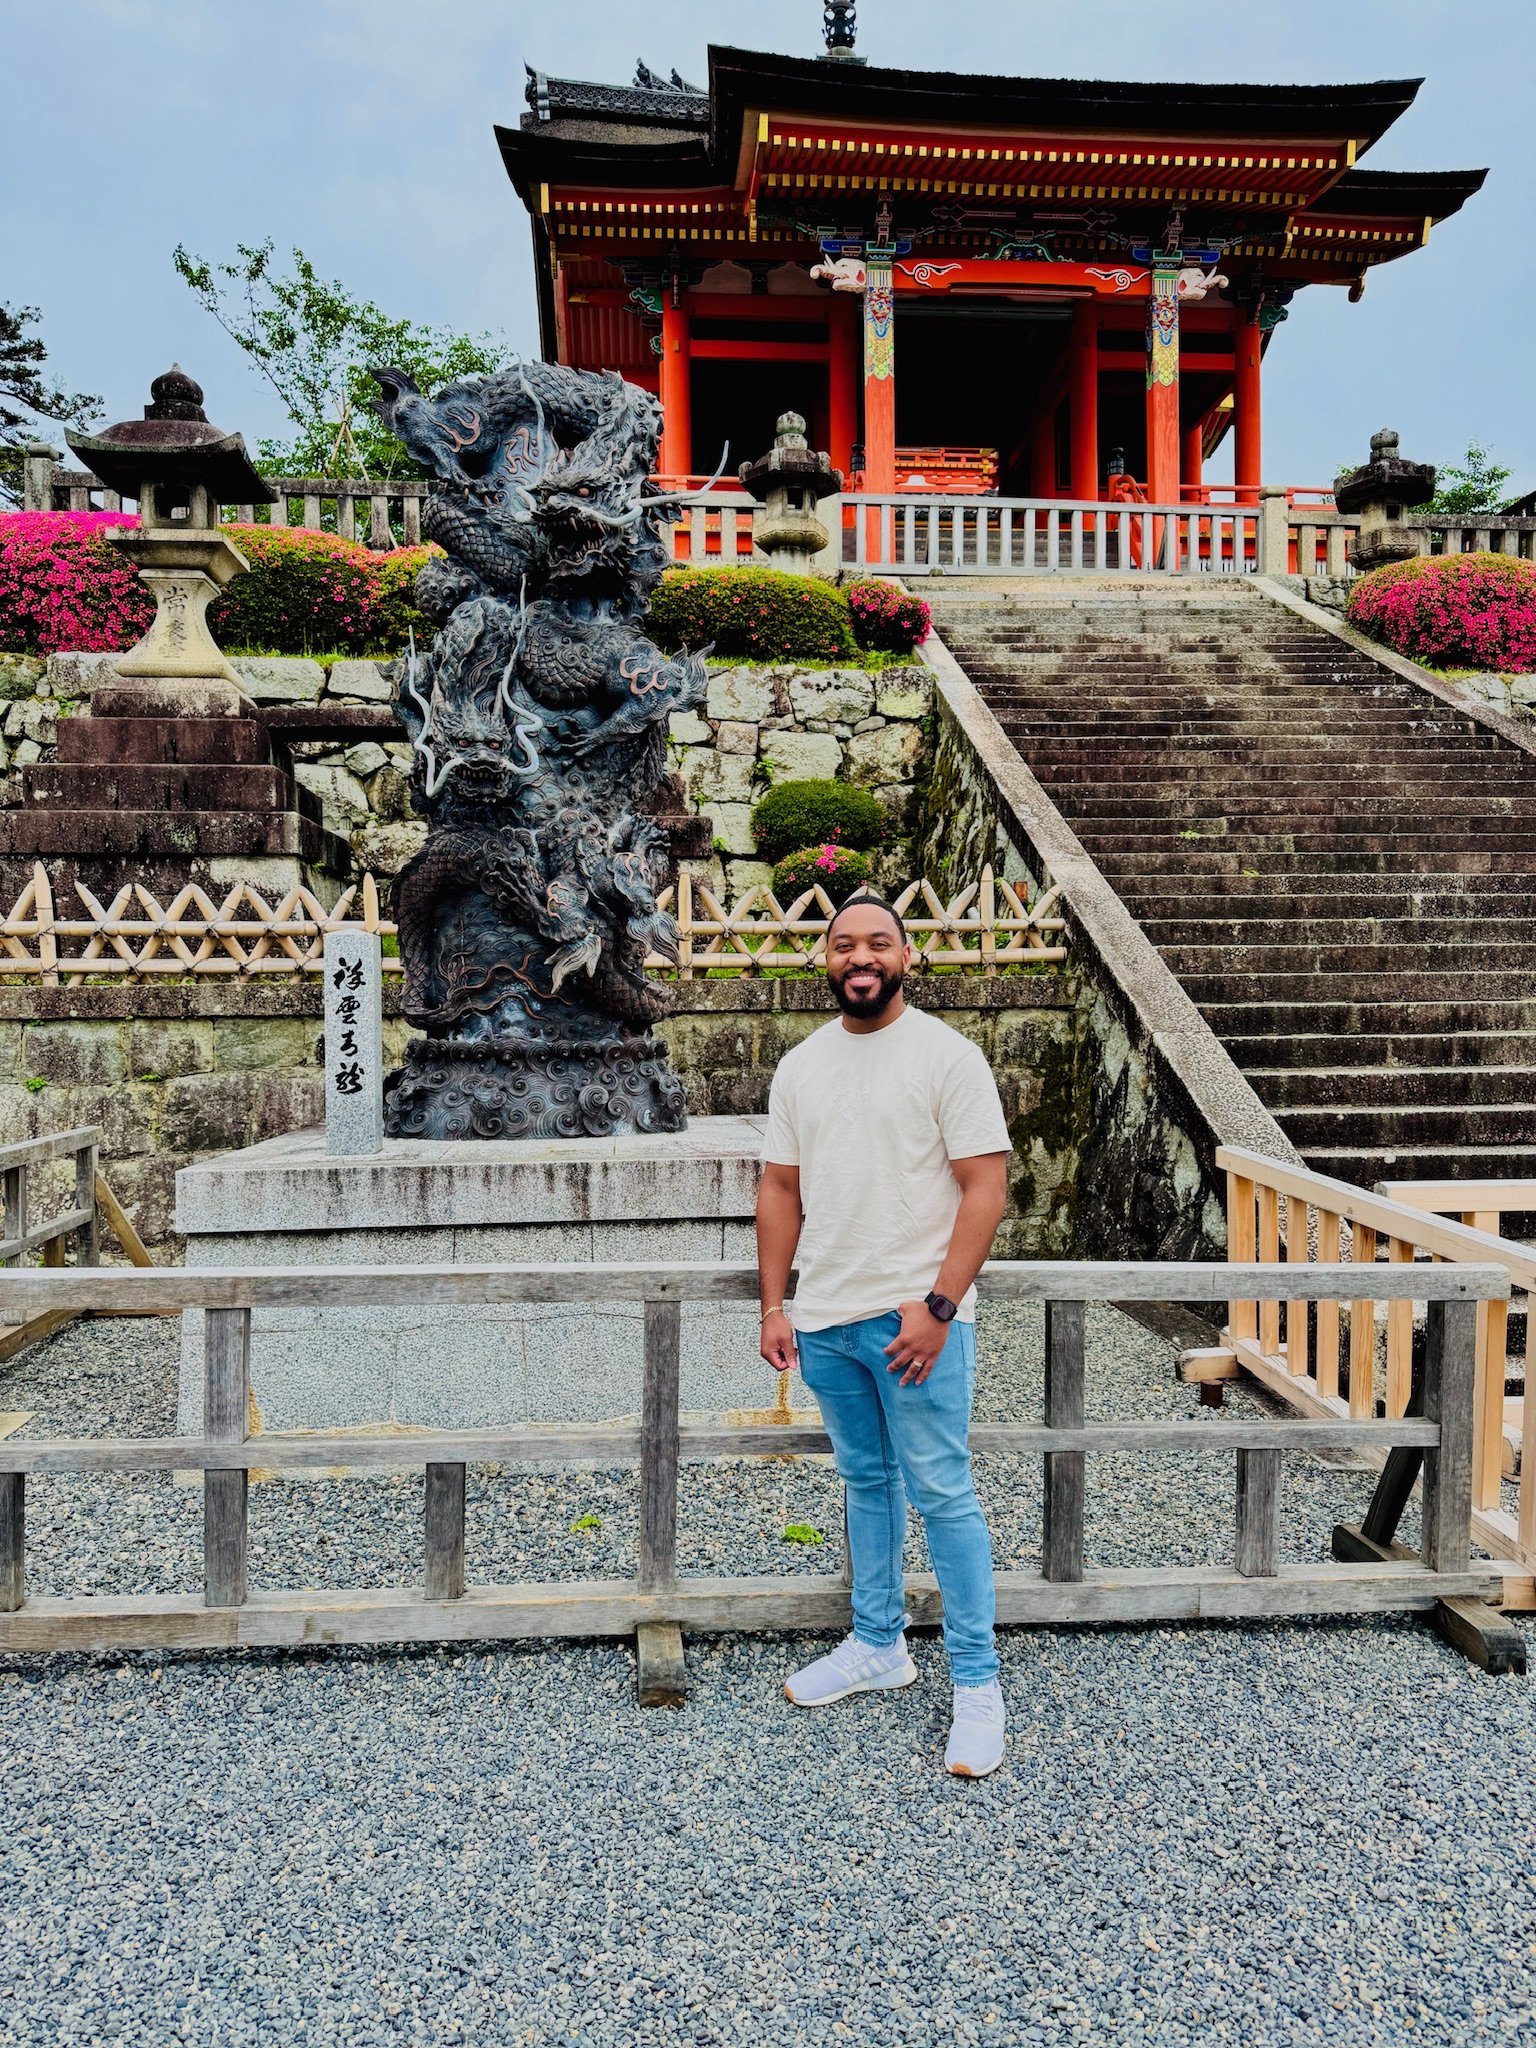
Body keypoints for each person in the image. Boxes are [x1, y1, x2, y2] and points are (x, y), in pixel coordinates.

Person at [756, 894, 1012, 1777]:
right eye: (842, 946)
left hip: (915, 1320)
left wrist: (939, 1306)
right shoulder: (801, 1067)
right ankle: (877, 1644)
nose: (859, 958)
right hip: (824, 1317)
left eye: (877, 944)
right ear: (824, 962)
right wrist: (773, 1304)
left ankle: (978, 1684)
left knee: (943, 1492)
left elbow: (985, 1186)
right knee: (866, 1483)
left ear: (908, 956)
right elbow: (781, 1190)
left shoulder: (948, 1055)